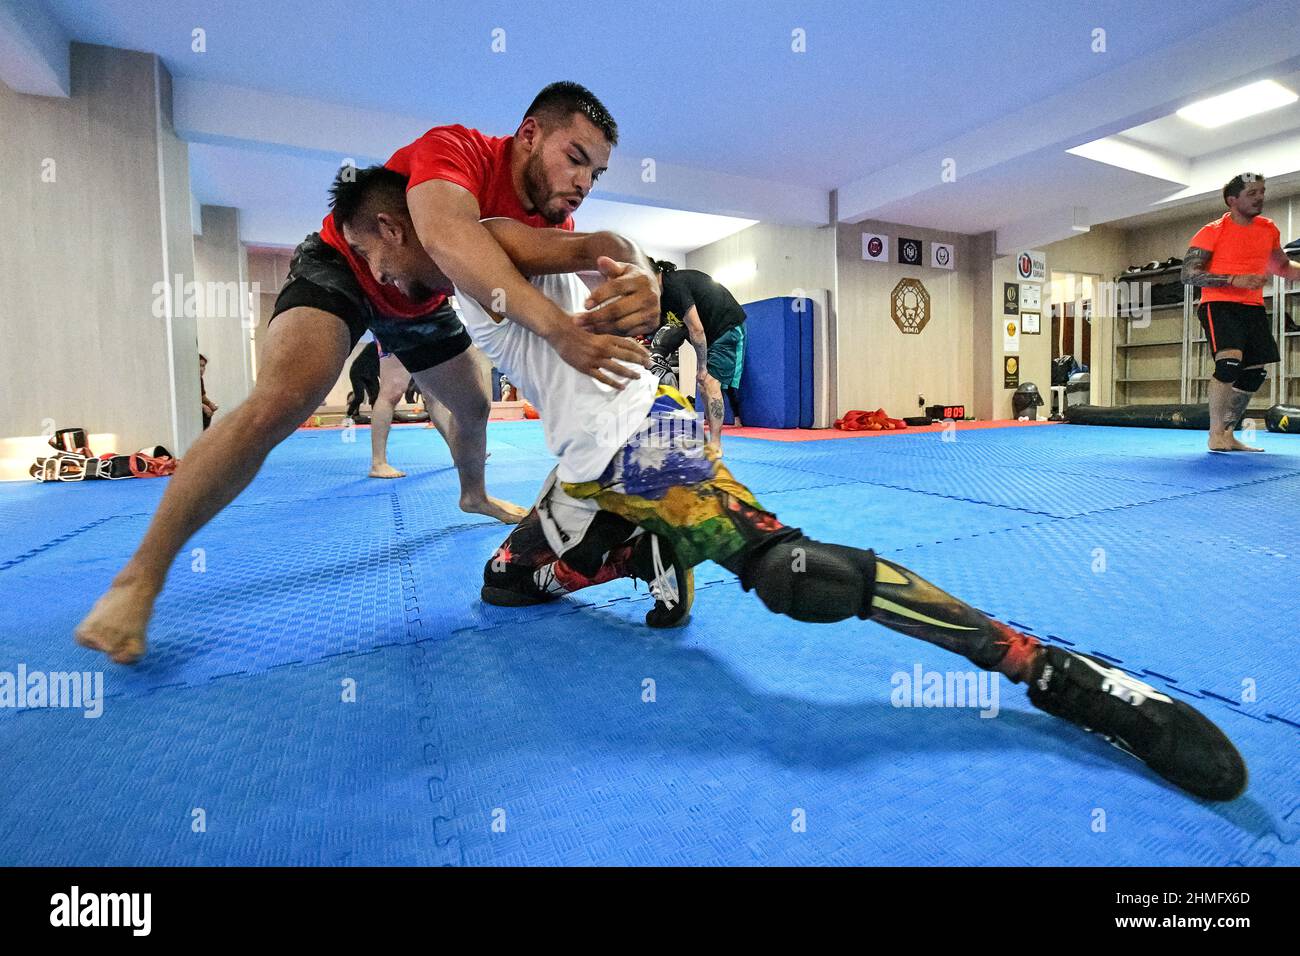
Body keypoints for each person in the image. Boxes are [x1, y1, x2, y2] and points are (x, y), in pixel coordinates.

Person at [328, 168, 1247, 800]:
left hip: (650, 445)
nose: (381, 278)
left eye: (378, 258)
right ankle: (650, 546)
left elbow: (578, 243)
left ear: (393, 226)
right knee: (504, 585)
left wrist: (634, 268)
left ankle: (1041, 665)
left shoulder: (492, 240)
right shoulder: (448, 293)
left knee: (792, 573)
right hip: (584, 474)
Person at [74, 81, 660, 665]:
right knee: (282, 400)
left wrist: (637, 284)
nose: (583, 183)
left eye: (596, 173)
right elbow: (448, 237)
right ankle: (138, 581)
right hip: (347, 272)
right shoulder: (455, 149)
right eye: (575, 159)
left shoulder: (549, 218)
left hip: (425, 298)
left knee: (475, 404)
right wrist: (560, 328)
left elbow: (595, 258)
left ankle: (472, 493)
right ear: (529, 135)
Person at [1181, 172, 1300, 452]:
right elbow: (1188, 274)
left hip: (1253, 307)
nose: (1260, 197)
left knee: (1254, 373)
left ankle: (1227, 433)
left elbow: (1282, 267)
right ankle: (1214, 434)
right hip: (1219, 304)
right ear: (1232, 200)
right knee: (1229, 365)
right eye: (1252, 193)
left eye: (1262, 191)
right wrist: (1234, 279)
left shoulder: (1268, 229)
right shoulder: (1212, 230)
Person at [650, 260, 748, 452]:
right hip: (710, 333)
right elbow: (674, 329)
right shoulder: (661, 298)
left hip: (726, 327)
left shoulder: (674, 287)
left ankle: (716, 444)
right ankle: (709, 440)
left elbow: (696, 330)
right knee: (702, 385)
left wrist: (701, 366)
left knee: (709, 381)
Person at [198, 354, 217, 430]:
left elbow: (202, 397)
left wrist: (210, 403)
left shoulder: (200, 379)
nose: (202, 369)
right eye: (199, 366)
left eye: (203, 366)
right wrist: (203, 406)